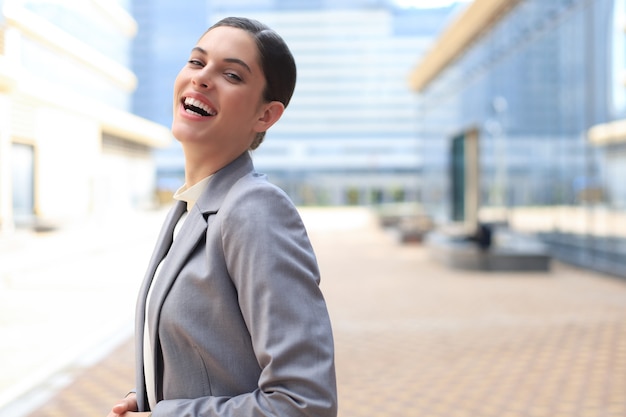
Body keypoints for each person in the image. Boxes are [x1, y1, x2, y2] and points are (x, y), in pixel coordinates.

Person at [107, 16, 337, 417]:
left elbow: (305, 403)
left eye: (231, 74)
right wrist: (149, 396)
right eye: (197, 62)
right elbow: (213, 355)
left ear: (265, 116)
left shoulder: (254, 209)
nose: (203, 78)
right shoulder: (190, 207)